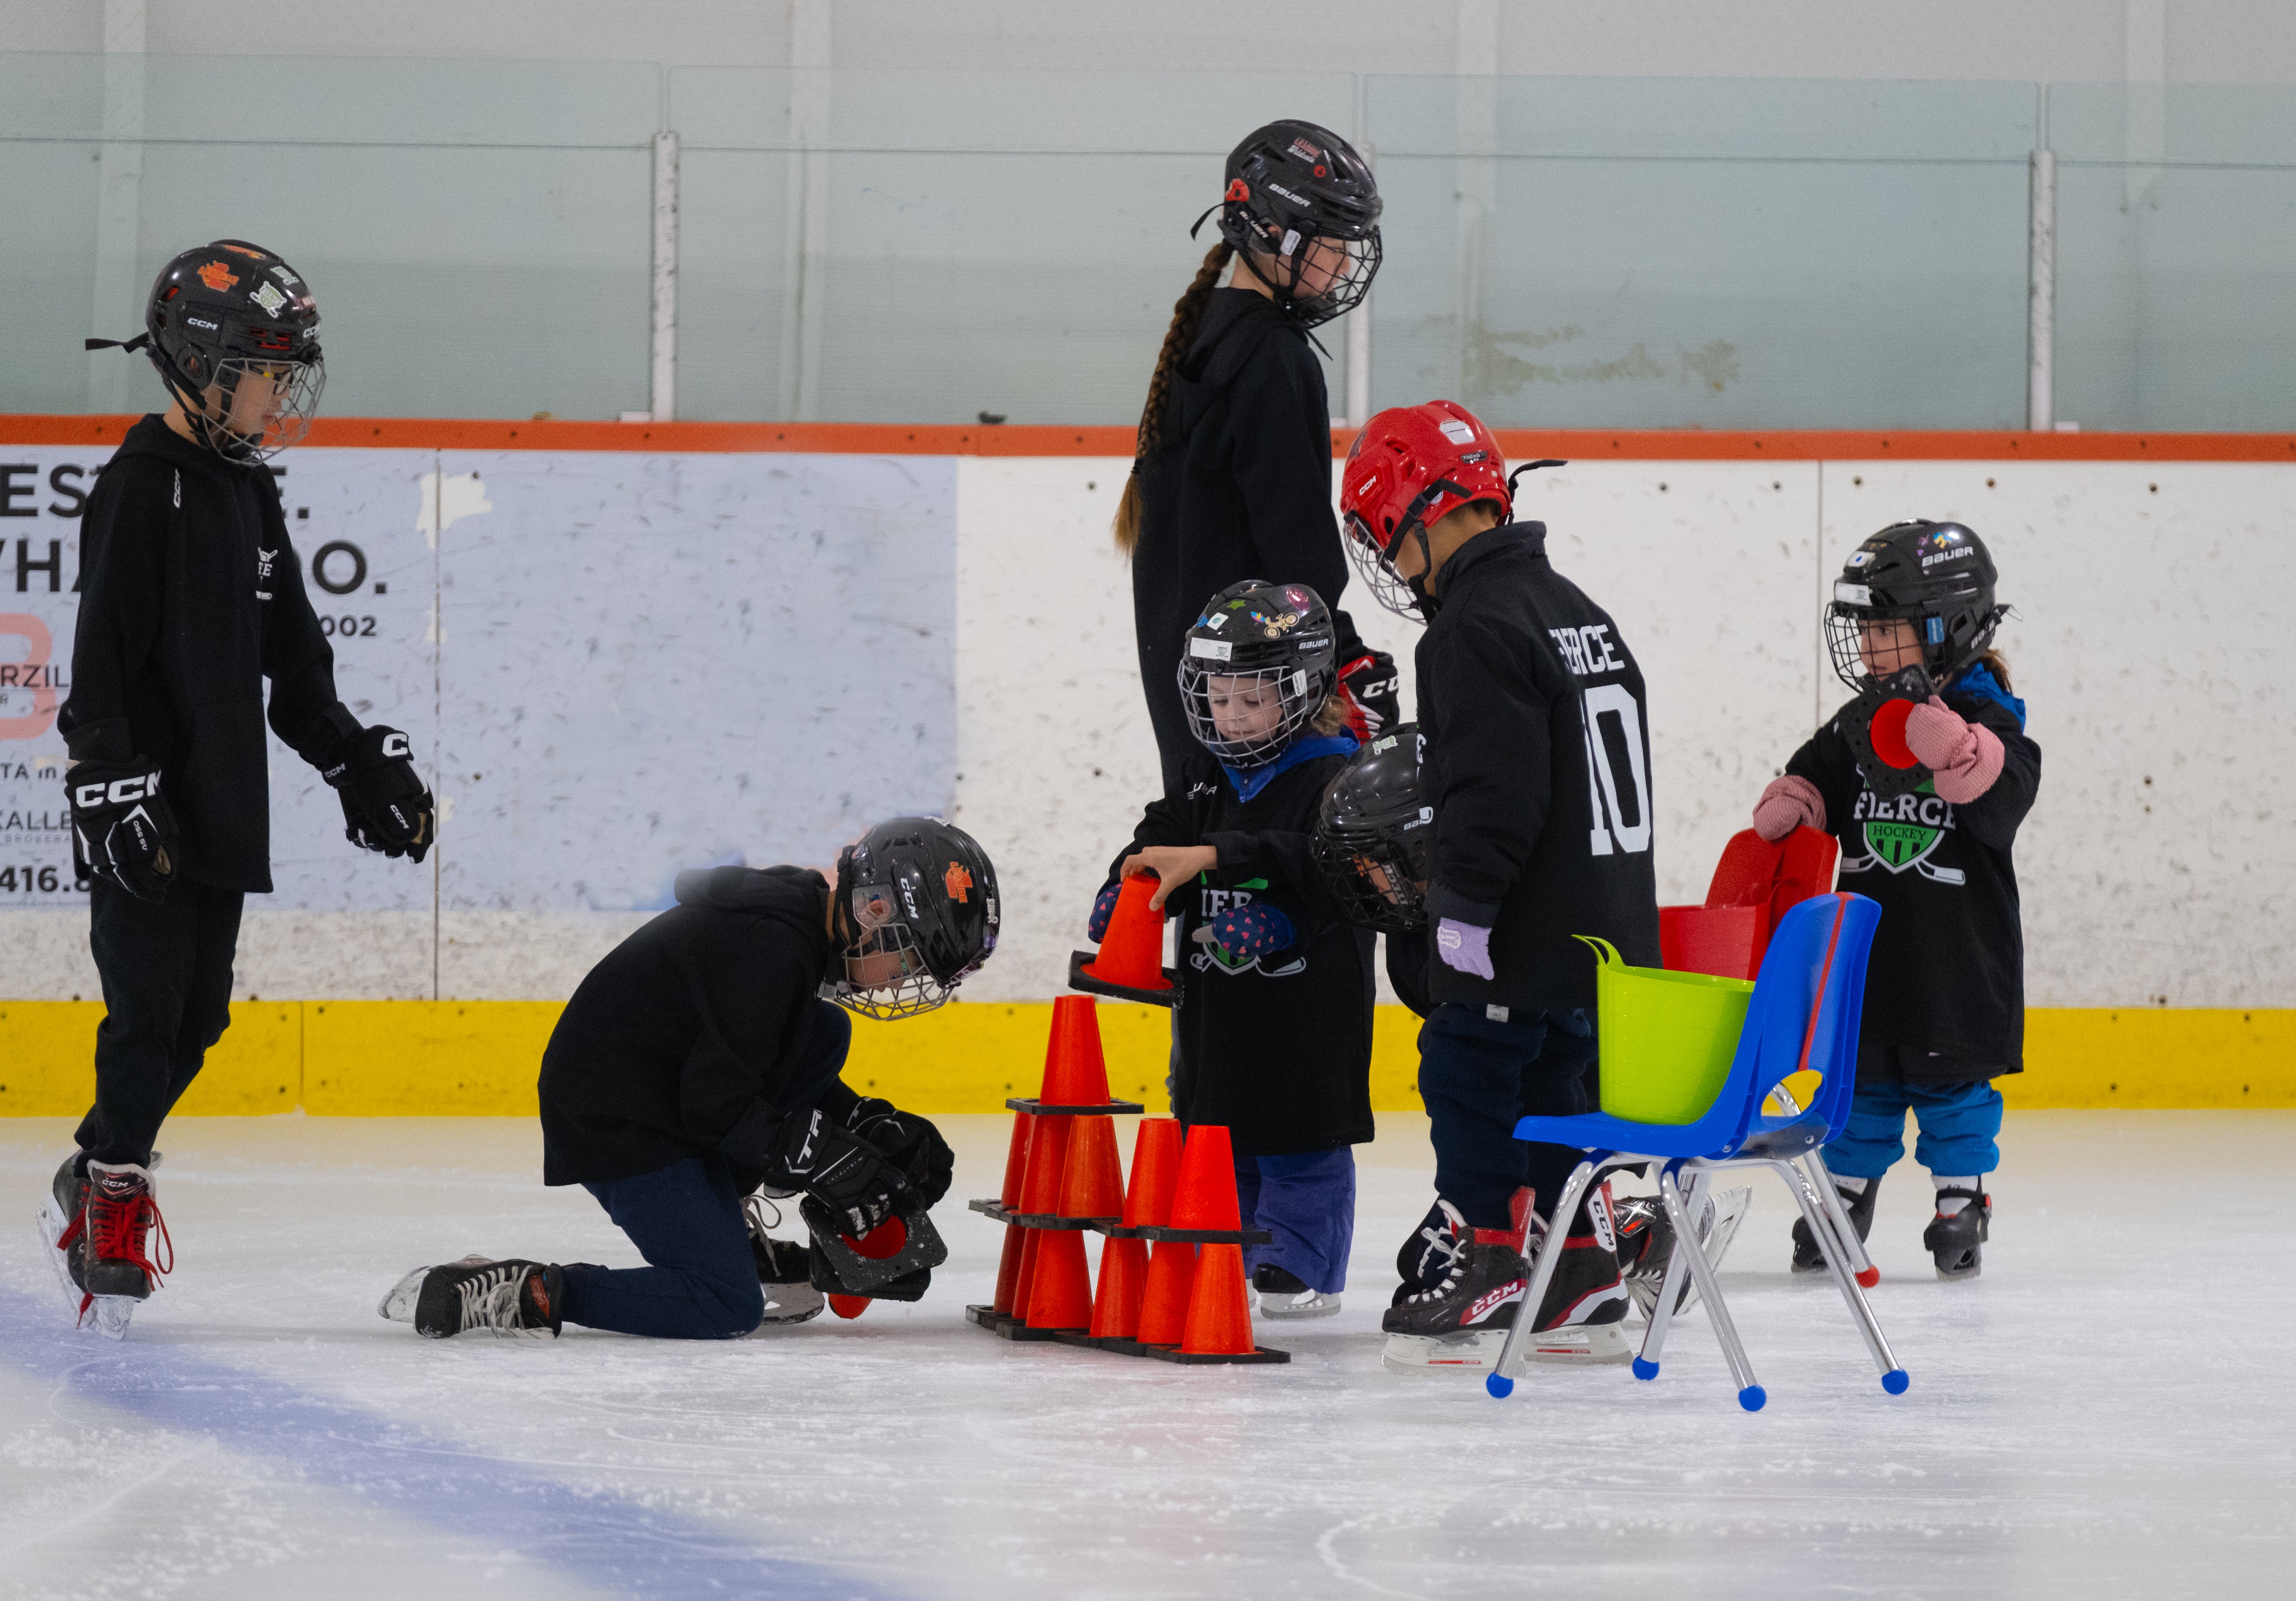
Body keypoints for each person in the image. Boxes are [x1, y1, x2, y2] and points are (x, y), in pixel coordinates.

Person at [40, 241, 433, 1339]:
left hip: (218, 800)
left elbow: (295, 664)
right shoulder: (138, 487)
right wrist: (109, 787)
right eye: (267, 371)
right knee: (146, 1008)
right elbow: (98, 667)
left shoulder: (247, 491)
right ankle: (112, 1192)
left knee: (200, 1016)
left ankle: (95, 1164)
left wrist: (356, 758)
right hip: (142, 806)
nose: (280, 394)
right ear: (204, 367)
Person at [380, 819, 996, 1339]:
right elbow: (716, 1106)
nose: (901, 980)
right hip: (619, 1121)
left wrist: (864, 1124)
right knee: (724, 1302)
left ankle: (723, 1226)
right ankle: (529, 1292)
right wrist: (834, 1161)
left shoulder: (794, 933)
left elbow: (757, 1063)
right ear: (875, 908)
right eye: (910, 957)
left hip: (658, 1095)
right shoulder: (770, 948)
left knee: (825, 1031)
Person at [1339, 400, 1660, 1373]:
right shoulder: (1576, 609)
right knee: (1557, 1078)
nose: (1395, 566)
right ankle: (1581, 1254)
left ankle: (1490, 1253)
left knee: (1467, 1070)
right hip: (1602, 928)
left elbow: (1495, 794)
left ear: (1430, 513)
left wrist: (1463, 913)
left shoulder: (1470, 629)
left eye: (1391, 540)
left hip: (1524, 918)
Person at [1750, 520, 2038, 1280]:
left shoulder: (1991, 717)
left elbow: (2001, 799)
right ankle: (1845, 1193)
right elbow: (1814, 772)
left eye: (1885, 628)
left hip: (1955, 962)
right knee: (1863, 1081)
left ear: (1947, 625)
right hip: (1868, 961)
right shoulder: (1857, 723)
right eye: (1865, 629)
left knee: (1952, 1090)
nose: (1871, 648)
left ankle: (1959, 1198)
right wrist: (1800, 798)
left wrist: (1949, 744)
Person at [1090, 580, 1372, 1319]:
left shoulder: (1335, 776)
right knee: (1219, 1133)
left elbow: (1324, 866)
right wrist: (1130, 878)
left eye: (1253, 699)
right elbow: (1161, 828)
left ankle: (1298, 1261)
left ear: (1305, 689)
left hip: (1307, 1024)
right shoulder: (1207, 772)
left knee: (1298, 1145)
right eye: (1218, 699)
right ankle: (1233, 1245)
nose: (1232, 716)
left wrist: (1268, 908)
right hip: (1217, 1016)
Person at [1115, 119, 1398, 791]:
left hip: (1200, 689)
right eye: (1329, 246)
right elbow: (1295, 542)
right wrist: (1343, 653)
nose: (1339, 267)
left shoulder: (1202, 333)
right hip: (1261, 691)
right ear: (1274, 233)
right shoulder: (1273, 358)